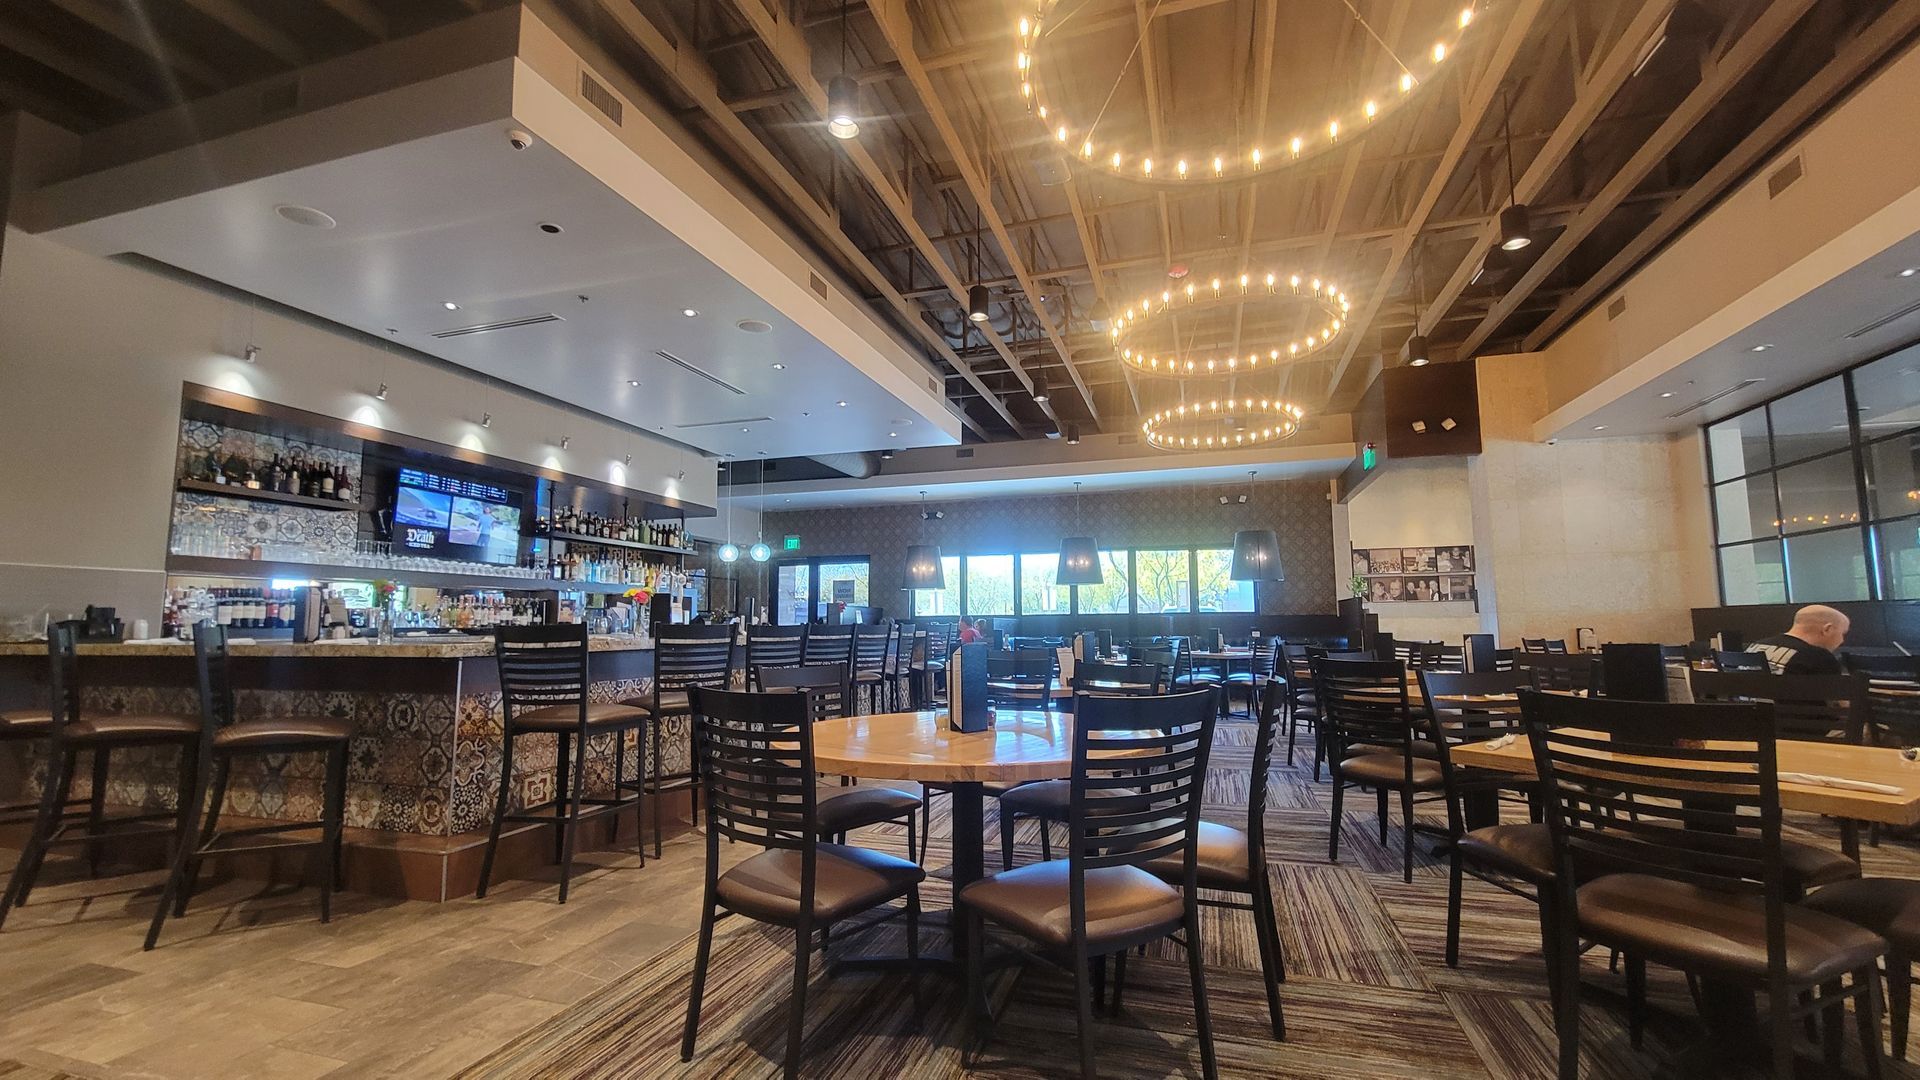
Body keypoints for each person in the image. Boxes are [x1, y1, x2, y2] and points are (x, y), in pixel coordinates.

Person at [1746, 604, 1849, 675]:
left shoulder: (1755, 646)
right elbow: (1841, 703)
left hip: (1748, 706)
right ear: (1827, 629)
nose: (1842, 640)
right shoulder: (1818, 657)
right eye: (1842, 633)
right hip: (1796, 707)